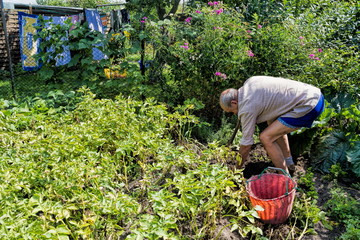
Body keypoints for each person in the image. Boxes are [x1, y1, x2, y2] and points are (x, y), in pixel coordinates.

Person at [219, 76, 325, 173]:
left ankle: (285, 177)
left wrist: (236, 169)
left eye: (231, 111)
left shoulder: (247, 108)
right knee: (273, 124)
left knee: (266, 137)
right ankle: (289, 163)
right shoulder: (250, 82)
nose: (234, 113)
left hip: (307, 106)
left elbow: (246, 145)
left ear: (234, 102)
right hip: (315, 95)